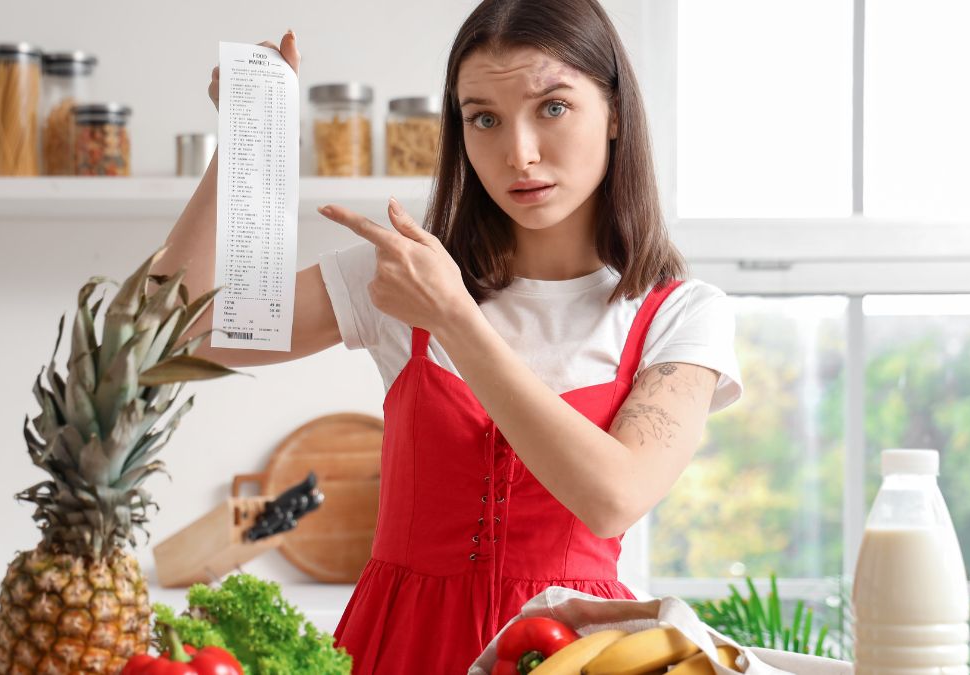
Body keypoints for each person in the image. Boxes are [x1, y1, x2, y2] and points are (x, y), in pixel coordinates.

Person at [156, 0, 743, 672]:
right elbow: (172, 338)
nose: (518, 153)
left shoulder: (681, 314)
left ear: (614, 113)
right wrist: (245, 141)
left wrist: (456, 318)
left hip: (567, 659)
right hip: (392, 645)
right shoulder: (402, 274)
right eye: (483, 118)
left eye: (552, 106)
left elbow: (612, 498)